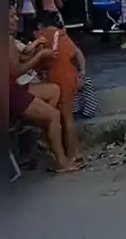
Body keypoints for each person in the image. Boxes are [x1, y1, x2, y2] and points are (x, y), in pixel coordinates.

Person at [8, 6, 81, 174]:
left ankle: (45, 136)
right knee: (54, 115)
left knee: (53, 90)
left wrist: (35, 50)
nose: (16, 19)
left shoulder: (10, 39)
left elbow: (22, 58)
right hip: (9, 92)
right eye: (11, 16)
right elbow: (17, 71)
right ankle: (61, 162)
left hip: (13, 87)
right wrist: (41, 56)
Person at [34, 14, 87, 165]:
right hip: (70, 76)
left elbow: (38, 63)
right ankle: (73, 151)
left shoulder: (42, 37)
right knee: (67, 117)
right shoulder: (62, 34)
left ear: (39, 26)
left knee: (65, 118)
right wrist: (82, 72)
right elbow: (77, 53)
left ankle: (71, 153)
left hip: (58, 78)